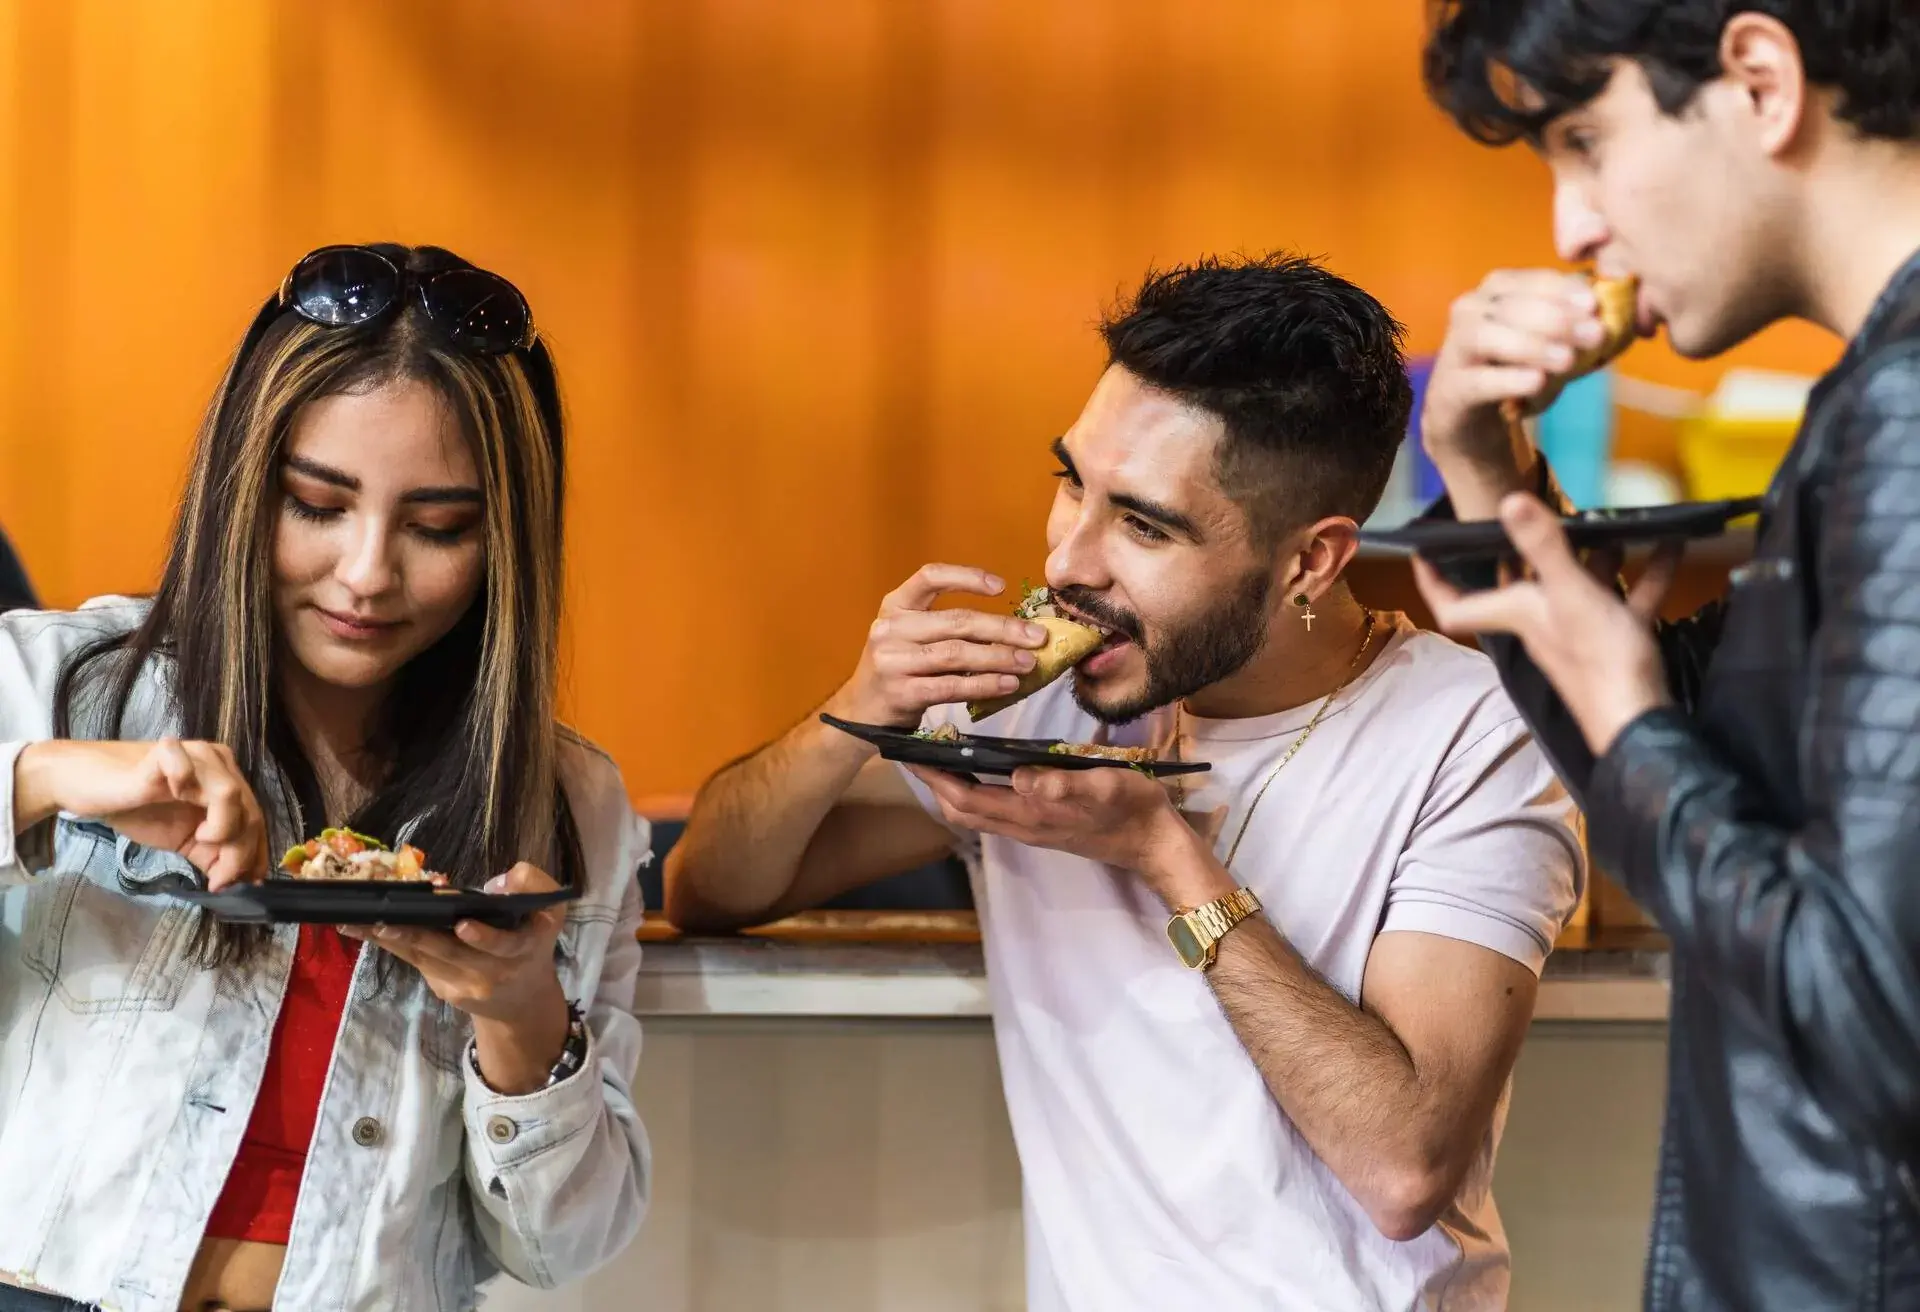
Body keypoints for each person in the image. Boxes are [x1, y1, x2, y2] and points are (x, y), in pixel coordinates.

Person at [665, 254, 1585, 1311]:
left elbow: (1404, 1167)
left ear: (1311, 563)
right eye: (1072, 483)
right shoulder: (1041, 706)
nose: (1068, 561)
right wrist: (858, 708)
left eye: (1144, 525)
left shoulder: (1475, 731)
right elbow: (711, 885)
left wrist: (1162, 852)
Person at [0, 244, 650, 1312]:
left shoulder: (569, 803)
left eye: (440, 527)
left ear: (506, 546)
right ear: (244, 489)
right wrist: (45, 777)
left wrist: (523, 1012)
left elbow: (561, 1246)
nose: (366, 573)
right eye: (317, 504)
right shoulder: (65, 685)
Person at [1415, 4, 1920, 1308]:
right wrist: (1480, 471)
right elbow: (1744, 779)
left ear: (1759, 80)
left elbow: (1880, 1022)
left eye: (1585, 141)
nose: (1570, 230)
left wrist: (1634, 726)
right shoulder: (1866, 398)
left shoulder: (1906, 418)